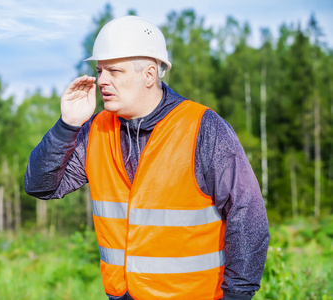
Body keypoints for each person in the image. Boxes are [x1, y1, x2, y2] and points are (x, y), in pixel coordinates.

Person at [24, 16, 269, 300]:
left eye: (114, 71)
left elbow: (248, 215)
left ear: (150, 75)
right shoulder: (96, 130)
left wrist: (237, 296)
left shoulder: (204, 128)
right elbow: (41, 185)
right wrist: (68, 125)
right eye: (99, 71)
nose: (102, 81)